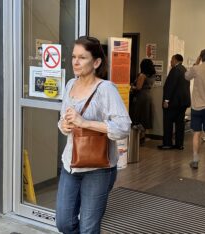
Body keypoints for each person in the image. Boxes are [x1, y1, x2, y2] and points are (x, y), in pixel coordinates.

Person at [56, 36, 131, 234]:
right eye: (73, 57)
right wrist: (64, 124)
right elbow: (63, 120)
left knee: (88, 228)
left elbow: (124, 127)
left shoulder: (105, 89)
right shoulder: (70, 84)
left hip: (98, 168)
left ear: (96, 62)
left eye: (82, 57)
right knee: (63, 222)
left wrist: (85, 123)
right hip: (70, 164)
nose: (75, 62)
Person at [158, 54, 190, 150]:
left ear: (175, 60)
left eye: (171, 60)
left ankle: (167, 143)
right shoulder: (184, 70)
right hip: (183, 103)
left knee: (168, 123)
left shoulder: (175, 70)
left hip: (173, 102)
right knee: (180, 124)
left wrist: (166, 100)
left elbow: (170, 86)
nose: (171, 62)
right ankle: (179, 144)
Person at [131, 58, 156, 143]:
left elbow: (138, 87)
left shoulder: (142, 75)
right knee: (145, 116)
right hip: (148, 96)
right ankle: (143, 136)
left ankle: (138, 138)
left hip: (141, 97)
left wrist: (130, 87)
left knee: (139, 115)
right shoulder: (153, 75)